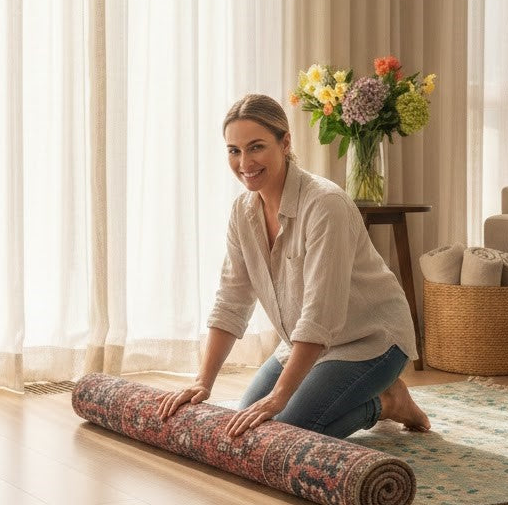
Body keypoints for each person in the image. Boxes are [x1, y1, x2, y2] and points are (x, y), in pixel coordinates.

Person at [159, 93, 430, 439]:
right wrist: (202, 382)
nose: (245, 162)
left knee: (287, 429)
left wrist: (279, 398)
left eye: (256, 147)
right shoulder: (242, 212)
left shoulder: (325, 205)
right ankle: (364, 397)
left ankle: (387, 401)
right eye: (234, 150)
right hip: (304, 344)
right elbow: (231, 301)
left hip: (370, 341)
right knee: (247, 426)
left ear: (285, 142)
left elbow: (320, 315)